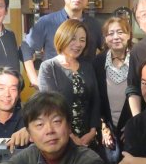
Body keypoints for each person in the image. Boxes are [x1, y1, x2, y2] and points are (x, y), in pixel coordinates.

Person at [21, 0, 104, 87]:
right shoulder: (47, 22)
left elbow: (107, 49)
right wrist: (34, 80)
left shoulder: (94, 25)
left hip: (87, 89)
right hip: (54, 87)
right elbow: (26, 47)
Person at [38, 19, 100, 148]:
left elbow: (95, 100)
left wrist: (93, 130)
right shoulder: (48, 67)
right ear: (62, 38)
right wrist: (71, 136)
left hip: (88, 137)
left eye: (82, 40)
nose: (78, 44)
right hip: (60, 138)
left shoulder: (88, 66)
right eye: (73, 39)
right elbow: (51, 107)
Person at [93, 16, 133, 164]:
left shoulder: (138, 60)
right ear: (105, 38)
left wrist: (134, 125)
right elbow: (94, 98)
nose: (115, 37)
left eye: (120, 32)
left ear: (129, 34)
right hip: (107, 126)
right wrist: (102, 126)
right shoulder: (98, 62)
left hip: (131, 126)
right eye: (110, 33)